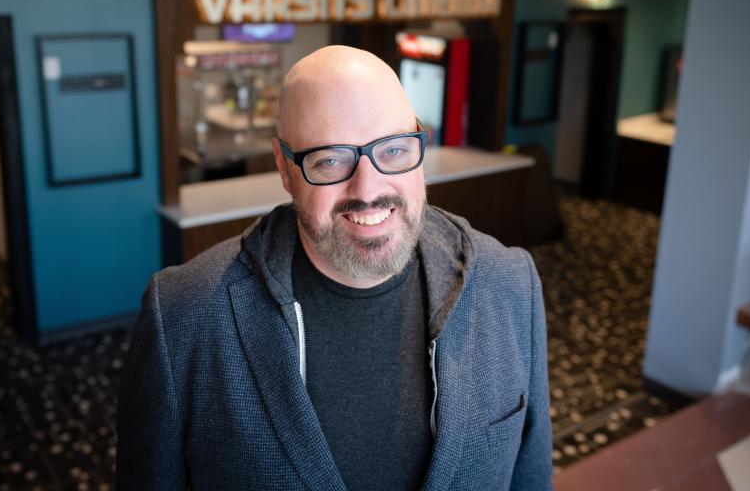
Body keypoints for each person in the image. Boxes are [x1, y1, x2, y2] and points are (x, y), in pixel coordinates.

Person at [116, 45, 552, 490]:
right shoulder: (183, 315)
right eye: (330, 159)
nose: (368, 189)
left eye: (395, 150)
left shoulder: (510, 282)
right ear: (285, 169)